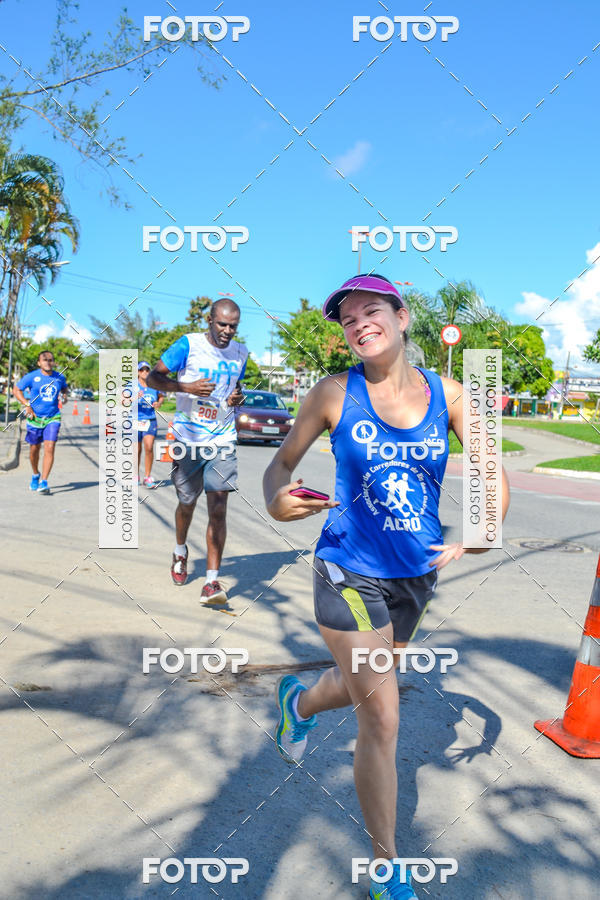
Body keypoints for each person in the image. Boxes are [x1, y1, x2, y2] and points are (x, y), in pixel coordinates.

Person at [263, 274, 510, 899]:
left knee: (355, 687)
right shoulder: (332, 393)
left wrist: (480, 532)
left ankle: (297, 702)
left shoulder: (448, 394)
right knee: (383, 714)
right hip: (346, 567)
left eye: (371, 311)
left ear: (402, 319)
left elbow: (490, 470)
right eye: (348, 320)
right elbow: (280, 465)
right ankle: (387, 868)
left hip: (414, 577)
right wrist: (277, 501)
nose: (359, 325)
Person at [148, 299, 247, 603]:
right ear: (210, 320)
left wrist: (236, 397)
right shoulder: (187, 345)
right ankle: (180, 551)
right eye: (222, 324)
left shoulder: (241, 352)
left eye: (233, 326)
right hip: (188, 437)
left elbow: (235, 387)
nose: (227, 331)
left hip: (222, 438)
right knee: (187, 502)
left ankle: (212, 582)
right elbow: (153, 377)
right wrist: (186, 389)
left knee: (218, 509)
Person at [13, 349, 69, 494]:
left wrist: (64, 396)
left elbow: (64, 388)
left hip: (53, 417)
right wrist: (27, 404)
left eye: (50, 360)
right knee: (34, 450)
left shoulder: (59, 377)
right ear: (39, 363)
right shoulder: (32, 377)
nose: (48, 362)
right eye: (45, 360)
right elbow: (16, 390)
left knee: (50, 447)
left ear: (54, 362)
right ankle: (35, 474)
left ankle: (44, 482)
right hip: (35, 418)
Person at [136, 360, 165, 487]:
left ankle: (147, 477)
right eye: (142, 370)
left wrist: (158, 403)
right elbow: (122, 401)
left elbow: (161, 396)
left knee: (148, 447)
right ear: (137, 372)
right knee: (136, 450)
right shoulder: (131, 385)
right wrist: (133, 398)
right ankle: (134, 476)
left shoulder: (154, 385)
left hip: (150, 420)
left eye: (147, 370)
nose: (145, 372)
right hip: (134, 420)